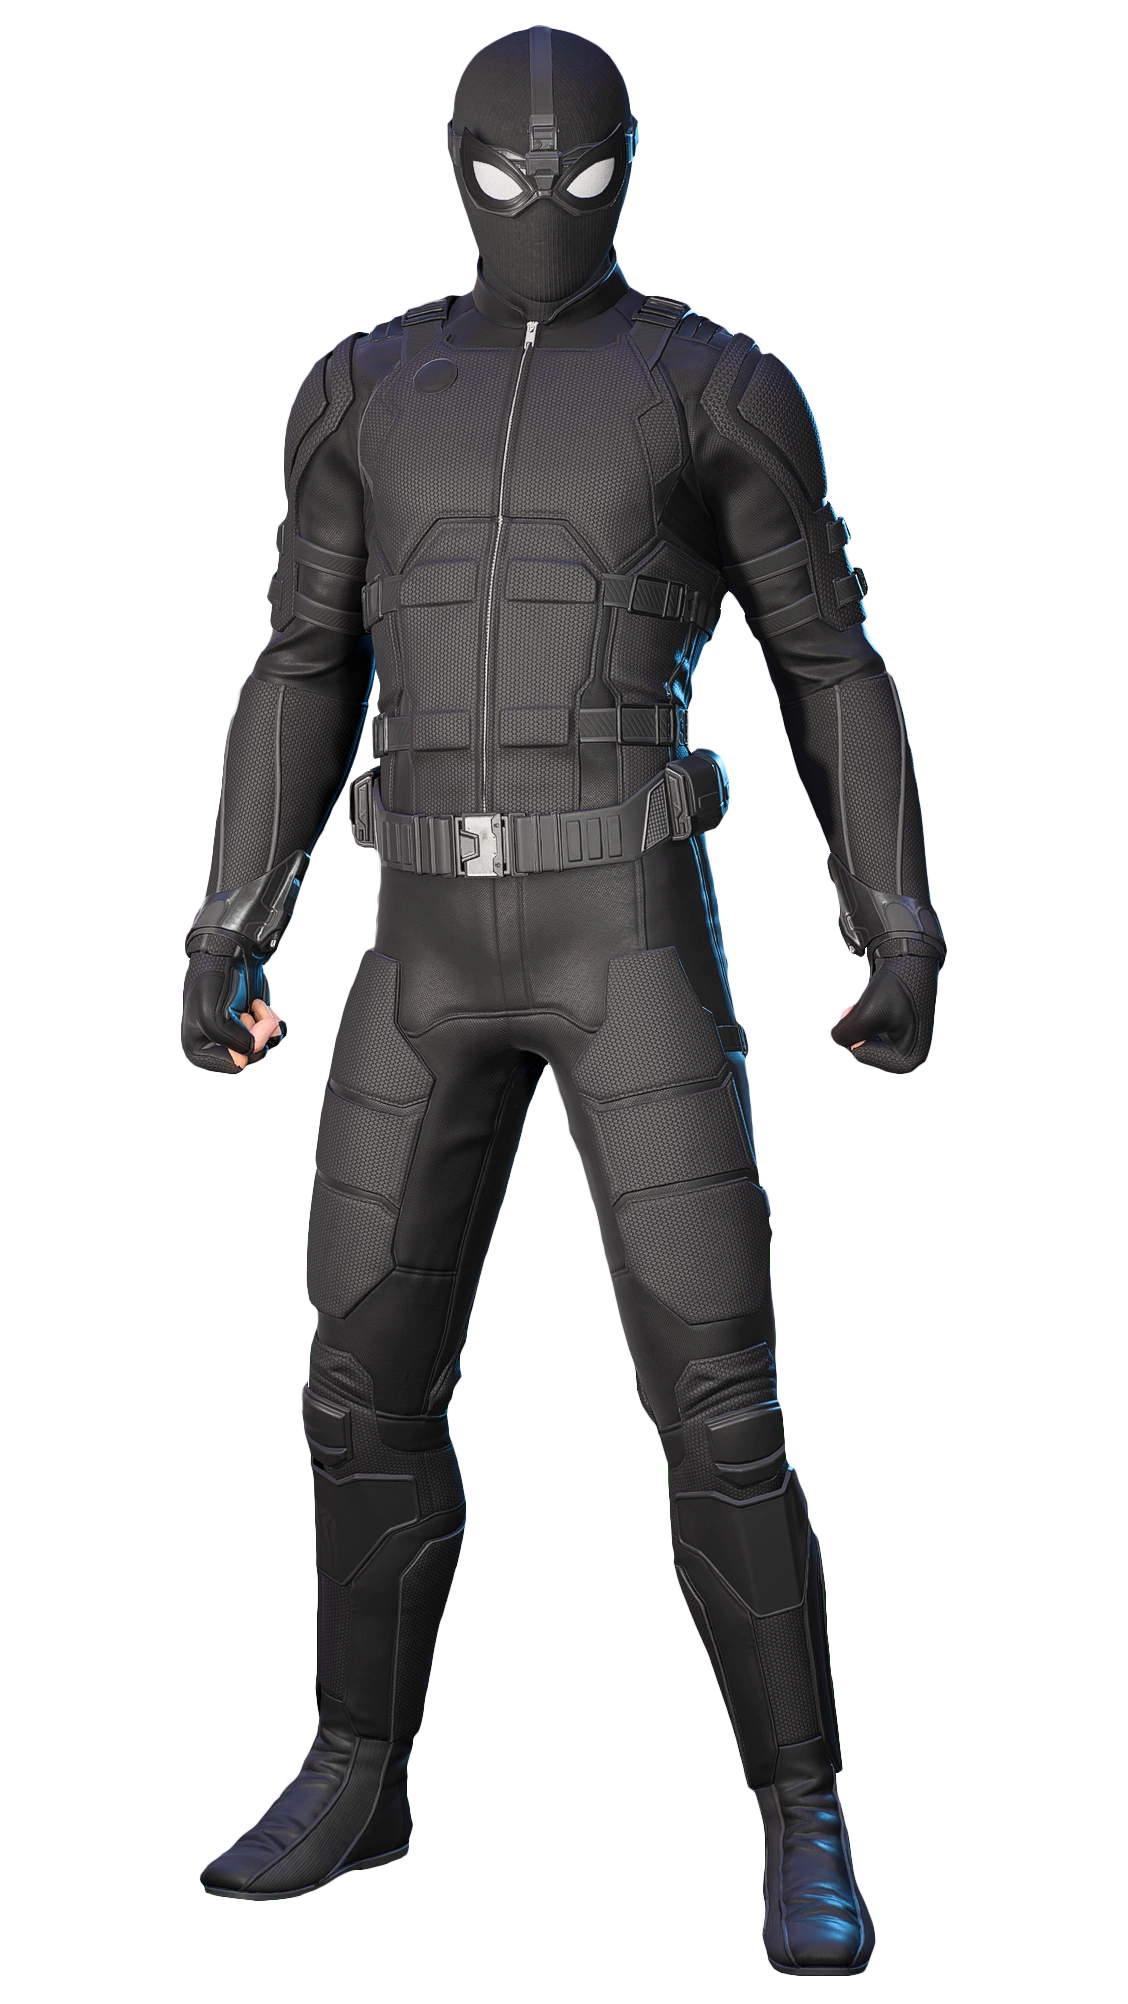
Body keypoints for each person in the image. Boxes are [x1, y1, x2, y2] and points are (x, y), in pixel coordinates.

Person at [180, 24, 946, 1973]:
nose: (540, 199)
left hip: (630, 938)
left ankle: (804, 1817)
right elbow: (302, 666)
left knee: (718, 1401)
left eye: (576, 171)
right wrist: (231, 924)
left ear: (629, 166)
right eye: (508, 170)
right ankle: (359, 1768)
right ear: (448, 163)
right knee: (356, 1386)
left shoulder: (712, 382)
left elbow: (828, 659)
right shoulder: (361, 388)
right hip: (419, 949)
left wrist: (895, 919)